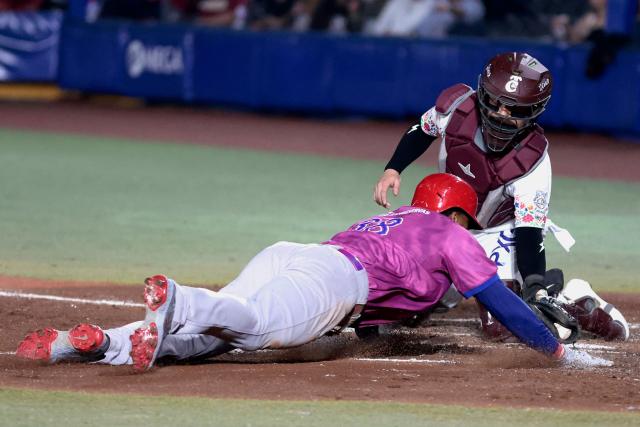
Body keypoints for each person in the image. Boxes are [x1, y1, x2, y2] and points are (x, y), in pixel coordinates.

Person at [16, 173, 610, 370]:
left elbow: (384, 321)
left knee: (204, 345)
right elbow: (501, 303)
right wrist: (549, 346)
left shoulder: (398, 224)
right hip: (335, 281)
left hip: (296, 254)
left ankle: (83, 345)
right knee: (250, 330)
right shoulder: (451, 235)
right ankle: (177, 298)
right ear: (455, 209)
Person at [373, 52, 629, 342]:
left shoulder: (532, 162)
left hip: (497, 231)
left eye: (514, 110)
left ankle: (574, 300)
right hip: (450, 228)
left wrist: (535, 284)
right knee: (412, 299)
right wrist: (393, 168)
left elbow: (529, 232)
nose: (500, 113)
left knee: (503, 326)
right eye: (495, 102)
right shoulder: (457, 108)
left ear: (534, 111)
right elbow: (422, 130)